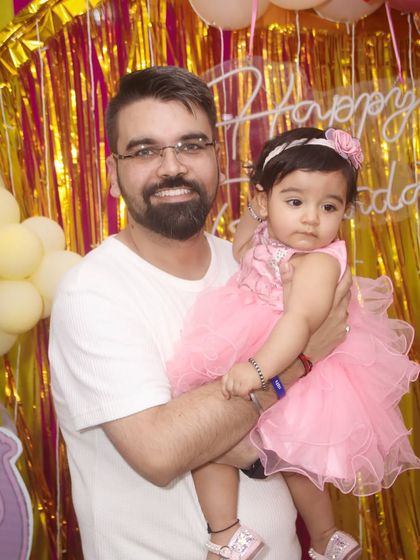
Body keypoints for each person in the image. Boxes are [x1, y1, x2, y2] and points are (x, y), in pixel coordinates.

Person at [49, 67, 353, 560]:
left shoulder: (253, 265)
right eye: (145, 150)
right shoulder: (93, 292)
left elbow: (306, 436)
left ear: (219, 158)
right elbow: (161, 452)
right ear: (111, 174)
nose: (172, 167)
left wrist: (245, 432)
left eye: (191, 145)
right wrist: (298, 364)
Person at [167, 127, 420, 560]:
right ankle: (227, 532)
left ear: (344, 213)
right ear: (266, 201)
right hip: (255, 340)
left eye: (329, 206)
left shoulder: (320, 261)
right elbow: (243, 247)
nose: (310, 218)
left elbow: (301, 321)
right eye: (295, 201)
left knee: (299, 461)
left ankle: (323, 537)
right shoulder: (270, 235)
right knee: (208, 443)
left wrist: (258, 369)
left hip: (291, 360)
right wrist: (256, 207)